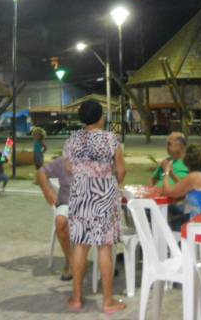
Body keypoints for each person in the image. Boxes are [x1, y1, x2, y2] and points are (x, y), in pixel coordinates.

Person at [64, 99, 126, 314]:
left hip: (81, 194)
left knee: (80, 245)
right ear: (101, 117)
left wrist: (85, 175)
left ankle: (77, 298)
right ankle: (108, 301)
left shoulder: (72, 140)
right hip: (104, 195)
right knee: (104, 247)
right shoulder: (111, 139)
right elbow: (121, 170)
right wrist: (108, 180)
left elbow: (69, 168)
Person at [160, 143, 201, 220]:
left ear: (188, 161)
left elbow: (167, 192)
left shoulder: (195, 176)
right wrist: (172, 174)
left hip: (200, 221)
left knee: (164, 220)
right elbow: (184, 187)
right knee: (172, 208)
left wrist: (166, 172)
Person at [37, 155, 73, 280]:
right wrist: (48, 192)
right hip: (67, 204)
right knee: (61, 222)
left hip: (91, 206)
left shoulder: (98, 160)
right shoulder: (64, 160)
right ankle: (71, 260)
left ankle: (105, 263)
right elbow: (41, 172)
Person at [150, 132, 190, 230]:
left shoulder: (189, 162)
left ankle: (158, 237)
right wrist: (152, 190)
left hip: (177, 203)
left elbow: (185, 188)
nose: (168, 147)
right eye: (167, 144)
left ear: (182, 146)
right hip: (160, 200)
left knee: (146, 209)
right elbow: (153, 178)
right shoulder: (166, 161)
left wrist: (170, 173)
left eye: (171, 144)